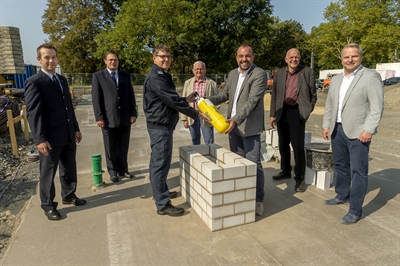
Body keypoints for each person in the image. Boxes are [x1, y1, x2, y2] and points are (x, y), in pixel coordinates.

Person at [143, 44, 209, 217]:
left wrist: (184, 99)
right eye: (162, 56)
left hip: (161, 125)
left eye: (168, 56)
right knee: (160, 164)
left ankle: (160, 192)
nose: (166, 59)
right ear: (154, 58)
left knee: (159, 162)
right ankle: (163, 204)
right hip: (160, 127)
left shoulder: (162, 75)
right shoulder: (157, 77)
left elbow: (168, 98)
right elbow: (170, 100)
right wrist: (196, 113)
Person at [322, 43, 384, 224]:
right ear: (341, 59)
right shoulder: (336, 79)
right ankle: (342, 194)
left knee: (358, 171)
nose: (350, 60)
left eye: (353, 56)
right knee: (340, 165)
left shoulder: (371, 77)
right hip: (337, 130)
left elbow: (376, 107)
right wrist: (327, 125)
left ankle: (355, 210)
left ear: (360, 57)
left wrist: (368, 129)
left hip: (358, 133)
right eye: (346, 57)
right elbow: (330, 105)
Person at [25, 43, 86, 221]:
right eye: (47, 57)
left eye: (53, 57)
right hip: (50, 138)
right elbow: (34, 113)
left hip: (67, 133)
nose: (51, 60)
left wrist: (75, 128)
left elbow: (68, 107)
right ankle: (48, 205)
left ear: (57, 58)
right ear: (39, 60)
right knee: (48, 172)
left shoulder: (62, 80)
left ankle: (69, 195)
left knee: (69, 167)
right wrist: (40, 139)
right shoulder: (34, 82)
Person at [207, 44, 267, 216]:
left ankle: (257, 199)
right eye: (241, 56)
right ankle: (242, 195)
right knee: (238, 162)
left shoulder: (259, 74)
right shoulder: (232, 74)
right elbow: (224, 95)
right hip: (232, 128)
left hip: (249, 128)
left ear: (253, 57)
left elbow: (252, 101)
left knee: (253, 164)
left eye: (247, 56)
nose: (244, 59)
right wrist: (206, 102)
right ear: (236, 57)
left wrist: (236, 119)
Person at [269, 48, 317, 193]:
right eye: (291, 57)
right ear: (286, 59)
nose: (294, 59)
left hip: (297, 112)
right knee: (282, 144)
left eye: (296, 57)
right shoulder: (280, 73)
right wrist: (273, 114)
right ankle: (285, 170)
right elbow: (275, 95)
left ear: (299, 58)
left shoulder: (308, 72)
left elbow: (313, 96)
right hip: (282, 111)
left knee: (297, 146)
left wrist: (306, 111)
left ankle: (300, 177)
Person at [92, 50, 137, 183]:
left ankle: (123, 169)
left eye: (115, 59)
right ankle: (113, 171)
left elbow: (131, 96)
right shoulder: (98, 76)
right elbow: (96, 98)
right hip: (108, 118)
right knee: (110, 147)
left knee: (124, 145)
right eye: (110, 60)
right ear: (105, 61)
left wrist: (133, 113)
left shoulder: (125, 76)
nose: (113, 62)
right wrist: (99, 117)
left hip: (124, 117)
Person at [181, 61, 217, 145]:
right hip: (192, 115)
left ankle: (210, 158)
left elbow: (216, 101)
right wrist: (184, 119)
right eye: (197, 69)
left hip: (206, 117)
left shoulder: (212, 83)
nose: (199, 71)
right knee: (195, 141)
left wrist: (213, 116)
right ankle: (198, 157)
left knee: (209, 141)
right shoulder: (188, 83)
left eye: (201, 69)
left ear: (205, 70)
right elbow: (183, 102)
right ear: (193, 70)